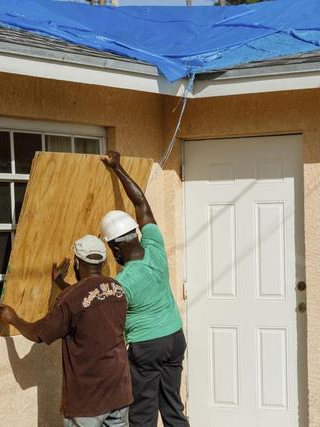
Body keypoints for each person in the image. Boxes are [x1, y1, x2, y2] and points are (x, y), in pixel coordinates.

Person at [0, 235, 132, 427]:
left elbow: (38, 333)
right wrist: (60, 283)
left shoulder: (71, 299)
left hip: (88, 400)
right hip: (119, 392)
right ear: (102, 263)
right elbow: (89, 300)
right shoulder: (117, 290)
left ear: (77, 262)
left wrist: (14, 319)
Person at [100, 151, 189, 427]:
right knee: (173, 409)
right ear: (136, 234)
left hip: (147, 347)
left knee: (143, 416)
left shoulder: (123, 283)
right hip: (174, 338)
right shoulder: (155, 247)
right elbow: (142, 203)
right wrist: (118, 167)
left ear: (114, 248)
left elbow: (95, 303)